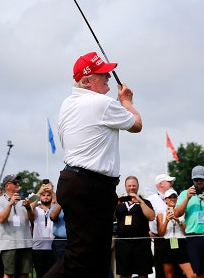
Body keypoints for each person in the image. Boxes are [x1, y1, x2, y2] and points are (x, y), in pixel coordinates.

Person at [44, 51, 142, 278]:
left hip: (78, 182)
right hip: (90, 186)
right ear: (87, 81)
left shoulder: (68, 103)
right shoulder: (101, 103)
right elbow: (136, 124)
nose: (108, 77)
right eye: (103, 74)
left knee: (96, 258)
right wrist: (126, 101)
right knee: (82, 256)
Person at [114, 176, 155, 278]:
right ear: (125, 187)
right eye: (129, 186)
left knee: (143, 273)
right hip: (123, 243)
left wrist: (140, 201)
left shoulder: (145, 202)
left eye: (134, 185)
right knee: (125, 274)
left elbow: (151, 216)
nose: (131, 188)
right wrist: (115, 204)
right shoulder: (120, 203)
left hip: (141, 243)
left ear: (137, 187)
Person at [0, 175, 34, 278]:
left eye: (18, 182)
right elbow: (1, 219)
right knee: (8, 274)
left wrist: (28, 208)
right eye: (15, 182)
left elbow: (32, 219)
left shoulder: (22, 200)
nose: (18, 184)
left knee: (25, 274)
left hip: (25, 243)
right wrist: (10, 204)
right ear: (7, 186)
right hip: (9, 245)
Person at [156, 189, 195, 278]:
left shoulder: (183, 213)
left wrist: (178, 220)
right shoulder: (161, 215)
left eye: (174, 197)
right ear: (165, 200)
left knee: (192, 275)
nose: (172, 199)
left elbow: (186, 231)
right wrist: (166, 220)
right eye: (170, 197)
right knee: (169, 275)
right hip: (167, 243)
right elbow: (161, 233)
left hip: (181, 243)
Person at [146, 174, 176, 278]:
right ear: (160, 184)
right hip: (159, 239)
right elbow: (145, 216)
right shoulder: (150, 199)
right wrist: (147, 230)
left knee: (175, 269)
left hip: (175, 237)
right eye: (169, 181)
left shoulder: (175, 197)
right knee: (160, 270)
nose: (172, 183)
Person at [31, 186, 55, 278]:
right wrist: (39, 191)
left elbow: (59, 201)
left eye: (48, 195)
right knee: (40, 274)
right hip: (38, 248)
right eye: (43, 195)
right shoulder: (36, 209)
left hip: (53, 247)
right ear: (40, 197)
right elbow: (30, 206)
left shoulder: (54, 209)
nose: (45, 197)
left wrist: (52, 191)